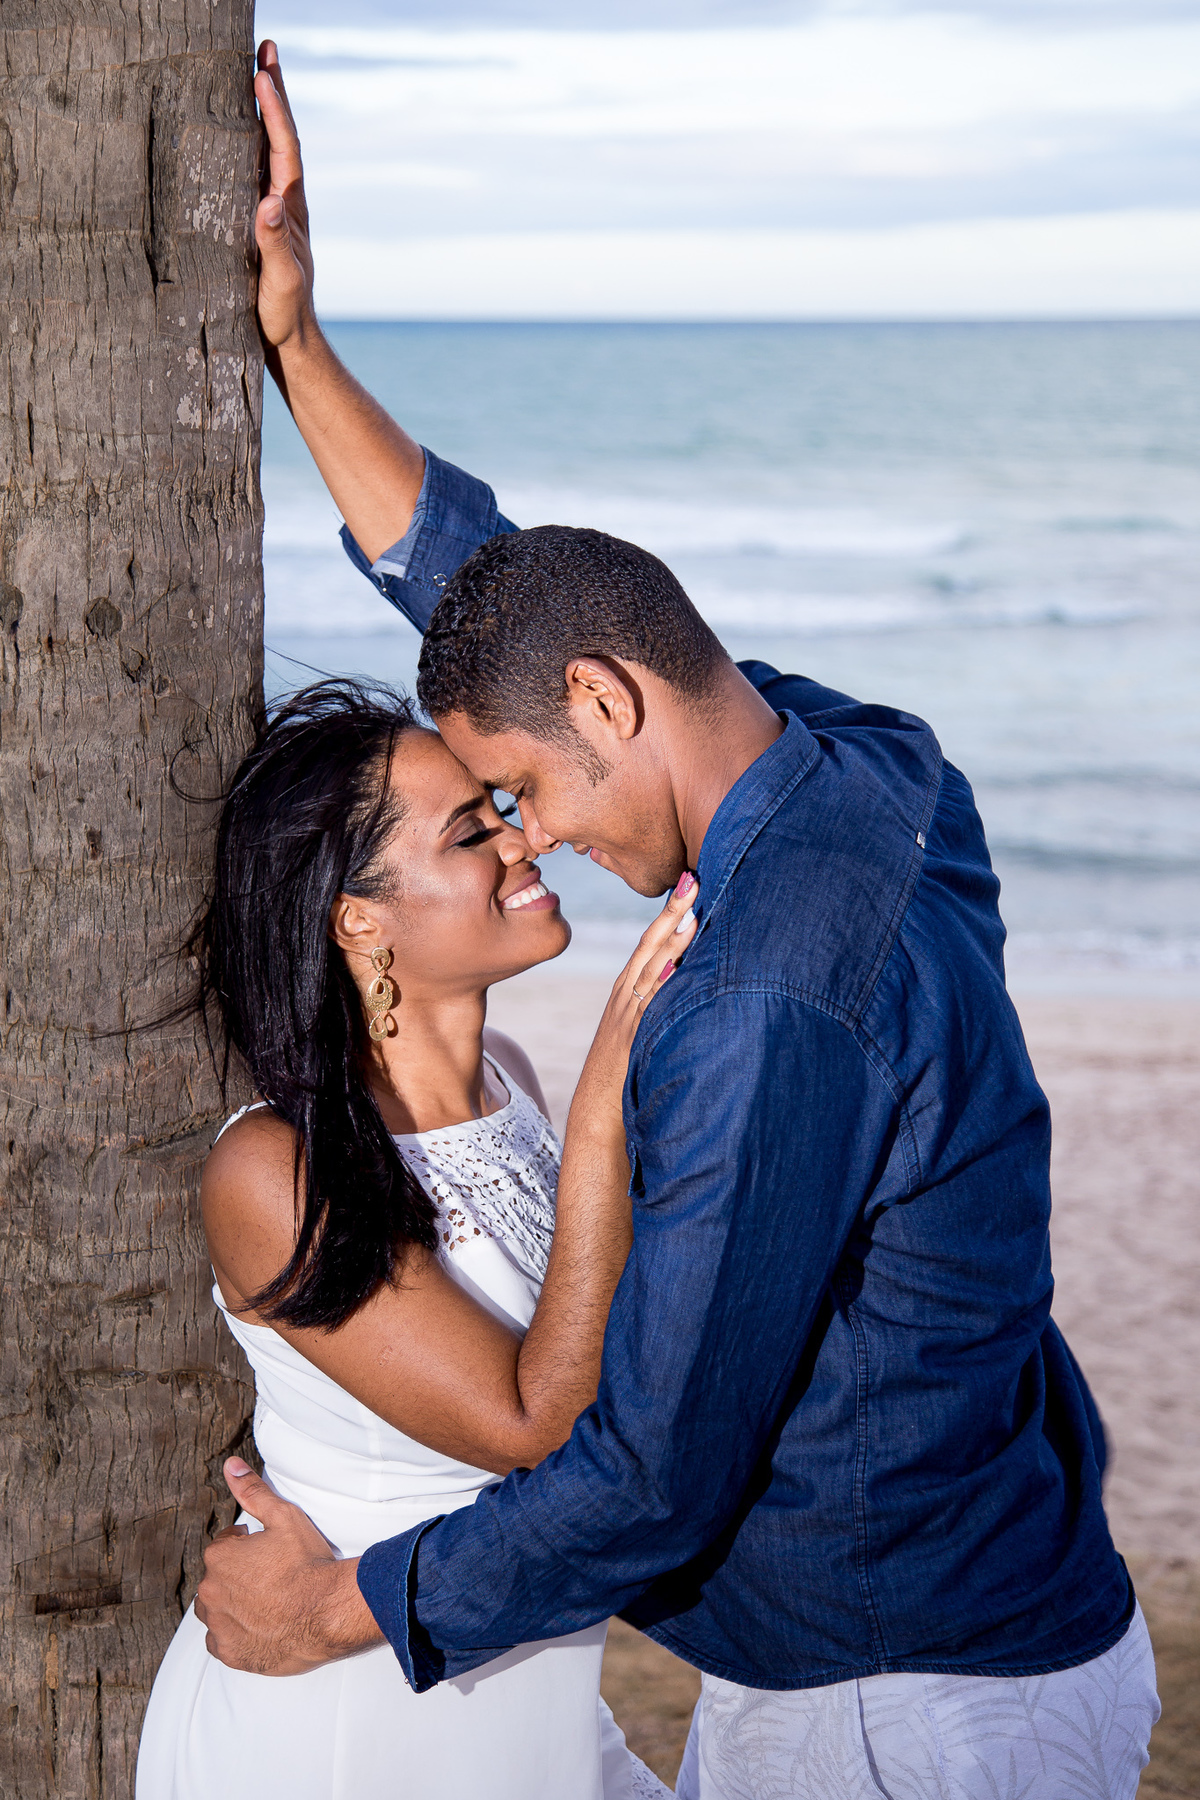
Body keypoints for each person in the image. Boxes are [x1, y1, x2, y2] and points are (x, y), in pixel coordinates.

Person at [196, 43, 1161, 1799]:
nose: (539, 841)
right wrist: (298, 344)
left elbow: (655, 1474)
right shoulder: (881, 772)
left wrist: (345, 1609)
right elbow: (523, 602)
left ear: (608, 704)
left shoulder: (753, 1007)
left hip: (901, 1702)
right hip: (985, 1630)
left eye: (529, 794)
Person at [135, 679, 689, 1799]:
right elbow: (537, 1425)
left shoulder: (511, 1085)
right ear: (361, 922)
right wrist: (605, 1116)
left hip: (523, 1709)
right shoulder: (276, 1169)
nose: (523, 838)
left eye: (503, 807)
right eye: (472, 831)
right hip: (347, 1729)